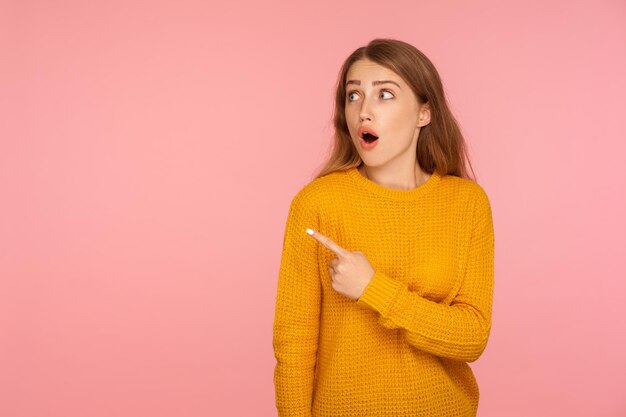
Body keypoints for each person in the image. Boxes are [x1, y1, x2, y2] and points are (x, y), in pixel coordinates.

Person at [272, 38, 495, 417]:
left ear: (425, 112)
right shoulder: (318, 203)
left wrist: (372, 288)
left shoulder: (467, 203)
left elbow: (471, 338)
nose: (363, 112)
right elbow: (293, 342)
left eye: (385, 95)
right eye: (353, 96)